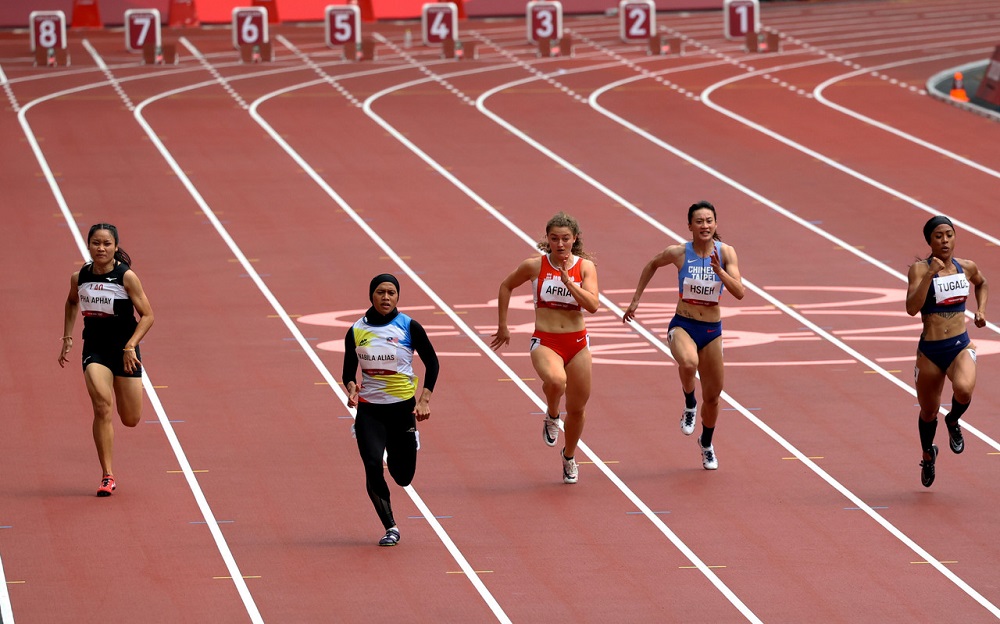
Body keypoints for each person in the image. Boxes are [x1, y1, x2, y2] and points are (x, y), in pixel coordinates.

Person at [622, 201, 744, 470]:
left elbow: (740, 292)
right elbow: (652, 264)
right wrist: (636, 299)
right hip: (683, 325)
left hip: (712, 331)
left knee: (713, 397)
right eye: (699, 221)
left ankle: (706, 443)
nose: (704, 226)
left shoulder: (726, 253)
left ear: (716, 224)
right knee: (689, 363)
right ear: (690, 226)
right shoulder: (678, 252)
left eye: (709, 221)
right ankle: (689, 402)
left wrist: (720, 271)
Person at [491, 212, 599, 484]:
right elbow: (506, 286)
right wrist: (503, 325)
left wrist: (569, 283)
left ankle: (569, 456)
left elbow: (593, 306)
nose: (560, 244)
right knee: (555, 380)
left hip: (577, 343)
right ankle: (552, 414)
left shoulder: (585, 268)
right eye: (554, 238)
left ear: (574, 239)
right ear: (547, 240)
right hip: (546, 341)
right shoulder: (534, 266)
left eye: (565, 238)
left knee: (577, 409)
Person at [59, 223, 154, 496]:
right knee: (102, 406)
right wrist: (67, 336)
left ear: (115, 247)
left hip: (124, 352)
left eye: (106, 244)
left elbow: (148, 315)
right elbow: (71, 302)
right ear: (88, 245)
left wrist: (131, 346)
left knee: (130, 418)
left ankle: (108, 470)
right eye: (96, 243)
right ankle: (107, 475)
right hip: (95, 350)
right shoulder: (79, 277)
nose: (101, 248)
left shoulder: (127, 277)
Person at [343, 274, 439, 546]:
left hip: (402, 410)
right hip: (370, 411)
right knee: (373, 465)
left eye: (391, 293)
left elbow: (432, 363)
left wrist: (424, 400)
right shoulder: (356, 331)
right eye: (381, 292)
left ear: (397, 296)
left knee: (403, 476)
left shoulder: (409, 326)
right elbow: (348, 371)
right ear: (371, 295)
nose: (386, 297)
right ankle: (391, 527)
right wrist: (351, 387)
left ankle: (409, 441)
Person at [905, 215, 988, 487]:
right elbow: (911, 308)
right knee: (929, 412)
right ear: (929, 241)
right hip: (930, 351)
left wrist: (981, 310)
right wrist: (931, 274)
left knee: (963, 390)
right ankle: (928, 455)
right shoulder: (919, 270)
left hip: (959, 345)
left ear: (954, 238)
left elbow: (982, 283)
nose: (944, 241)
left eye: (949, 235)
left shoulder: (966, 267)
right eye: (938, 236)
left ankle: (953, 421)